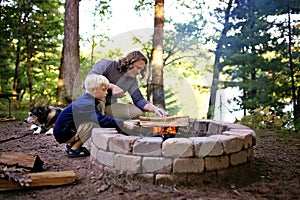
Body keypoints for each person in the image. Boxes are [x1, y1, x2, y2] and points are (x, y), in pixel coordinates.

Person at [53, 74, 138, 158]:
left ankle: (72, 145)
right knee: (94, 123)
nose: (107, 92)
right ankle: (74, 149)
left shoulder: (87, 100)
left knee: (92, 121)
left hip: (66, 130)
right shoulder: (86, 104)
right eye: (104, 90)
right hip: (64, 133)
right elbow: (101, 119)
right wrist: (123, 124)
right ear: (93, 90)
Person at [86, 51, 168, 120]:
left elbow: (139, 100)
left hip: (110, 106)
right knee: (100, 101)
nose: (139, 72)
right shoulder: (107, 64)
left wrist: (154, 109)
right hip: (93, 104)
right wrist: (112, 87)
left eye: (141, 70)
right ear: (129, 62)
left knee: (138, 113)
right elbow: (88, 81)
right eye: (138, 68)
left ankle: (124, 134)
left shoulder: (132, 80)